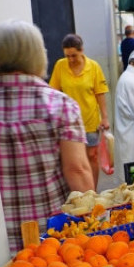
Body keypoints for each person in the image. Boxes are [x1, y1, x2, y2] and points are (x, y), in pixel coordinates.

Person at [0, 20, 94, 266]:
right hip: (52, 242)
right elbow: (77, 170)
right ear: (38, 55)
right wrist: (94, 218)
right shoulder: (60, 106)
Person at [48, 33, 109, 180]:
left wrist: (105, 117)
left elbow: (100, 94)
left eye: (73, 55)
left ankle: (92, 192)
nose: (70, 59)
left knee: (92, 157)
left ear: (81, 50)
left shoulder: (93, 67)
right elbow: (53, 92)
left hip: (90, 120)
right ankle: (79, 192)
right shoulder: (60, 65)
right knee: (74, 161)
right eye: (67, 56)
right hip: (69, 123)